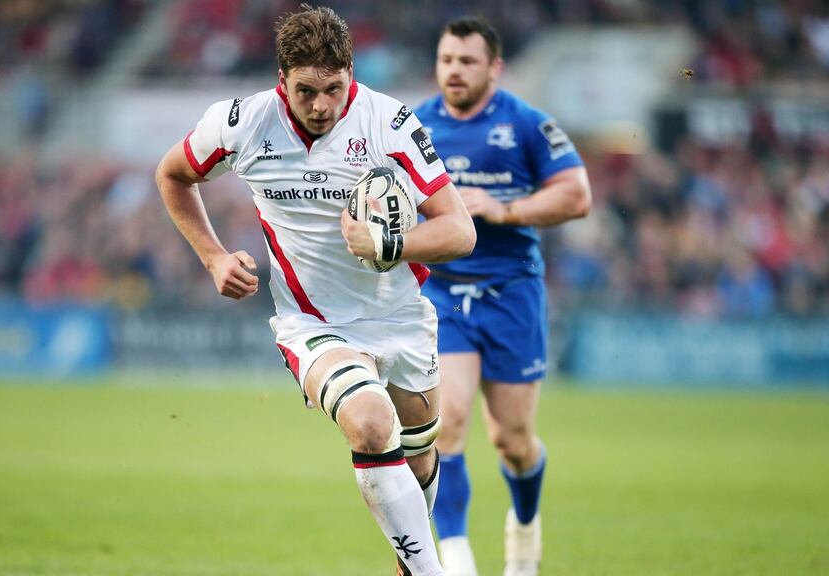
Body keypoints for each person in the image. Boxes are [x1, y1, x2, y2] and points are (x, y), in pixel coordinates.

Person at [154, 6, 476, 576]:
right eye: (306, 91)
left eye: (334, 88)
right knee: (373, 426)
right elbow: (173, 174)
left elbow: (460, 230)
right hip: (314, 325)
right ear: (282, 81)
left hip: (402, 318)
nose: (322, 105)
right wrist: (212, 257)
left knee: (422, 461)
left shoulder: (390, 123)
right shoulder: (242, 123)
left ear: (351, 73)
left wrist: (392, 245)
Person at [414, 17, 592, 576]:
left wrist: (505, 209)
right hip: (444, 294)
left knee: (513, 441)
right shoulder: (414, 126)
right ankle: (458, 557)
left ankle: (524, 524)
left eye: (467, 61)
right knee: (448, 422)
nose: (454, 71)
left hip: (513, 293)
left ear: (494, 67)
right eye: (446, 60)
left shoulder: (527, 124)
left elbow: (576, 195)